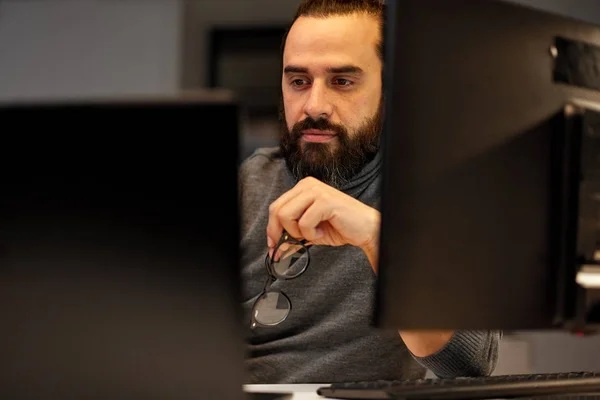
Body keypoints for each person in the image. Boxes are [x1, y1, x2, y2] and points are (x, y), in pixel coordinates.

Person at [239, 0, 502, 384]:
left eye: (342, 81)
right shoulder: (249, 183)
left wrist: (378, 238)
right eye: (298, 82)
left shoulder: (438, 192)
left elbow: (468, 365)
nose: (314, 106)